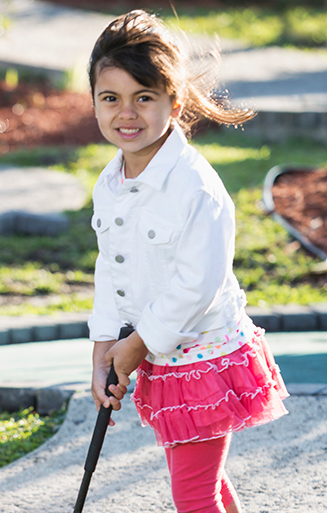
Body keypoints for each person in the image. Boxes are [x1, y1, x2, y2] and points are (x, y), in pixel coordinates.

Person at [86, 10, 289, 513]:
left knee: (193, 495)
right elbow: (111, 267)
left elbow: (198, 285)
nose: (126, 114)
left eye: (144, 98)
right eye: (111, 98)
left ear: (173, 103)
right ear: (93, 102)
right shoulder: (109, 184)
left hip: (203, 357)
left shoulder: (195, 186)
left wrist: (138, 346)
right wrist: (103, 347)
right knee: (206, 487)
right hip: (160, 354)